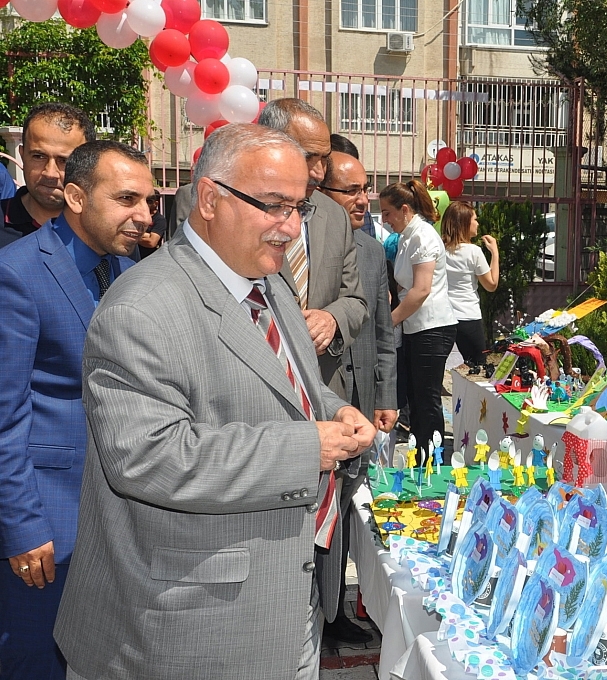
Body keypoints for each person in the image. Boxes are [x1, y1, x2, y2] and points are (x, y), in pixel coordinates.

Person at [53, 124, 376, 680]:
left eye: (299, 208)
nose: (292, 228)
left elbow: (290, 383)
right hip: (186, 630)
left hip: (284, 607)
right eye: (274, 206)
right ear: (209, 199)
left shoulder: (267, 281)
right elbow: (150, 458)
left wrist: (333, 410)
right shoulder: (142, 309)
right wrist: (307, 447)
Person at [0, 140, 152, 680]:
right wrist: (21, 527)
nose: (144, 215)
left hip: (116, 520)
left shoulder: (128, 270)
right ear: (75, 197)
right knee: (35, 663)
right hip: (47, 528)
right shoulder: (17, 272)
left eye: (148, 200)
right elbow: (5, 415)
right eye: (127, 198)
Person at [320, 149, 398, 645]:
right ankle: (318, 613)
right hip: (319, 409)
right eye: (349, 190)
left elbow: (385, 330)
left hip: (363, 402)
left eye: (365, 188)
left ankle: (337, 611)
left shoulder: (372, 250)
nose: (362, 200)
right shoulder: (296, 247)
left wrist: (386, 393)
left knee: (350, 509)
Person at [259, 100, 368, 383]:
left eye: (324, 158)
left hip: (325, 385)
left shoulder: (335, 216)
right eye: (309, 157)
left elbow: (355, 299)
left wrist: (332, 319)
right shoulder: (235, 209)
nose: (319, 173)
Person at [380, 179, 457, 456]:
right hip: (415, 328)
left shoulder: (422, 235)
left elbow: (421, 290)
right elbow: (403, 285)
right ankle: (421, 455)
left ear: (404, 209)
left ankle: (433, 459)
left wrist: (389, 322)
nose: (385, 220)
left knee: (427, 399)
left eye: (387, 213)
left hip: (432, 328)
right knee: (415, 397)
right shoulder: (406, 237)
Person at [0, 103, 95, 249]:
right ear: (22, 155)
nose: (50, 173)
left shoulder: (104, 231)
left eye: (64, 161)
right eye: (38, 156)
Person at [441, 201, 499, 371]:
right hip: (468, 316)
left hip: (444, 315)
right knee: (479, 364)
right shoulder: (473, 251)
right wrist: (495, 253)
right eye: (474, 219)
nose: (477, 223)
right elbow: (491, 284)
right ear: (464, 223)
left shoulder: (440, 249)